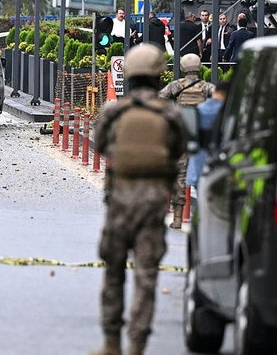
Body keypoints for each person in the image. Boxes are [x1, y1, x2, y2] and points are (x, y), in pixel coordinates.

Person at [91, 44, 186, 355]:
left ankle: (109, 343)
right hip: (154, 202)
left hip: (120, 200)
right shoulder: (170, 114)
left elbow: (99, 144)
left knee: (114, 271)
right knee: (146, 276)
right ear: (159, 75)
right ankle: (137, 346)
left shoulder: (115, 111)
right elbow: (180, 149)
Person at [158, 53, 215, 228]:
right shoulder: (207, 87)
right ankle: (205, 219)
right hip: (201, 137)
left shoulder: (176, 86)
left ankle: (177, 218)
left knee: (180, 176)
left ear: (183, 67)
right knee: (205, 175)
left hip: (182, 136)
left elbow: (160, 99)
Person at [186, 81, 230, 188]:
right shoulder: (228, 111)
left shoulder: (198, 109)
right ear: (226, 94)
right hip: (219, 169)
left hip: (197, 167)